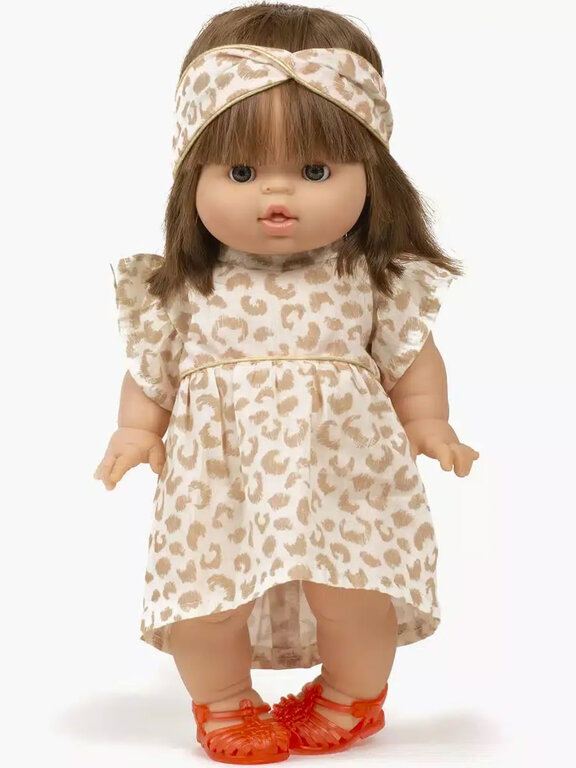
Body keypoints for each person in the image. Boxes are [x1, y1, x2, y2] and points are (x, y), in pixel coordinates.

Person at [94, 3, 479, 764]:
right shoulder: (183, 287)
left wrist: (429, 422)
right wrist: (137, 431)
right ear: (192, 175)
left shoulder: (370, 278)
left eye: (315, 171)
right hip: (218, 479)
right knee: (206, 599)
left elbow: (410, 358)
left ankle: (350, 698)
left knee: (354, 591)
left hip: (346, 471)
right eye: (241, 173)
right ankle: (224, 704)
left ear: (372, 174)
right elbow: (151, 370)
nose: (278, 197)